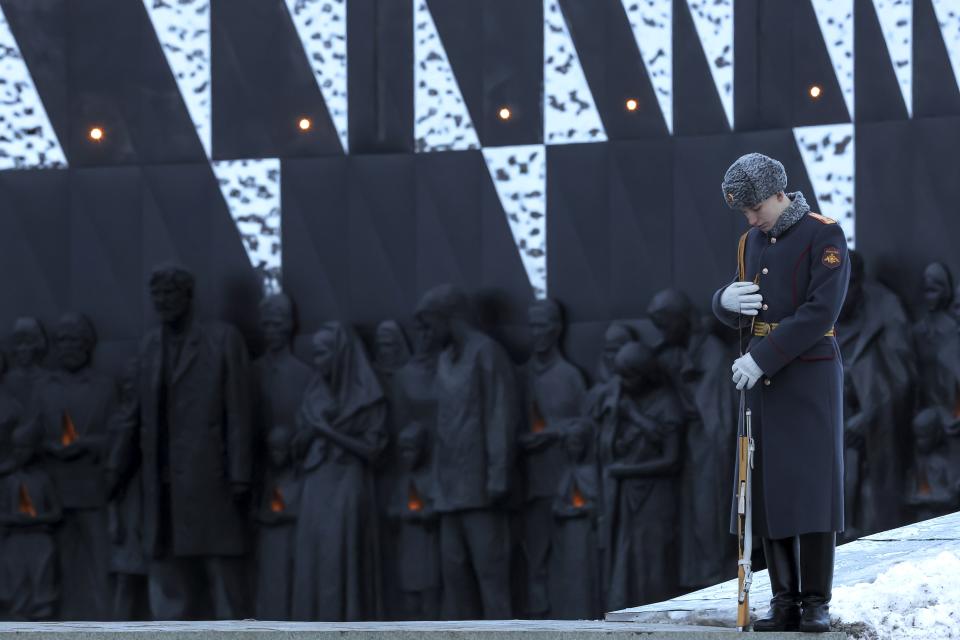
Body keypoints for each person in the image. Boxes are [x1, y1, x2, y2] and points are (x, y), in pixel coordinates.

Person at [712, 153, 850, 633]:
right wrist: (723, 302)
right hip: (764, 379)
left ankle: (816, 601)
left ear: (778, 194)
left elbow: (820, 313)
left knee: (812, 488)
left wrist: (763, 356)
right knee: (767, 488)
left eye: (755, 208)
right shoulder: (751, 241)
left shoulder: (823, 233)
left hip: (807, 374)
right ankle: (785, 599)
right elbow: (744, 299)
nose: (750, 219)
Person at [108, 264, 253, 619]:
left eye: (169, 293)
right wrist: (115, 470)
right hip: (160, 484)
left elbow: (239, 410)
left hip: (210, 476)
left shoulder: (222, 339)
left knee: (221, 575)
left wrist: (240, 474)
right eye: (156, 294)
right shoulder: (149, 345)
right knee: (167, 576)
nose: (162, 301)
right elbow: (134, 415)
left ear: (188, 296)